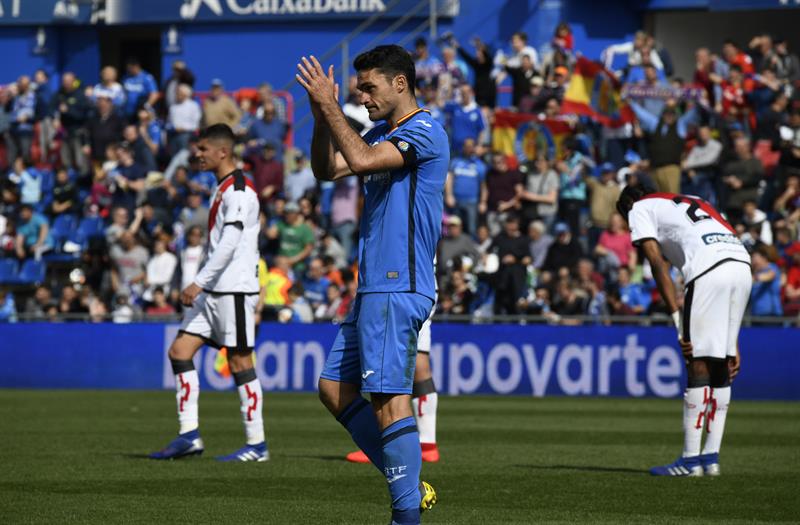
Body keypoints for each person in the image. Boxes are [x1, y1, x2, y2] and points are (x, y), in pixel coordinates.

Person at [296, 45, 443, 522]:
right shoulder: (382, 132)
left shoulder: (424, 130)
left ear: (400, 83)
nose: (362, 96)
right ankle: (409, 486)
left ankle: (406, 516)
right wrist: (322, 115)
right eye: (358, 88)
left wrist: (333, 106)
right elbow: (327, 169)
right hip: (374, 288)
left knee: (388, 400)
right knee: (333, 387)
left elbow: (358, 160)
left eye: (369, 86)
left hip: (399, 285)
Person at [149, 124, 267, 462]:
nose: (196, 154)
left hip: (234, 291)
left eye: (202, 149)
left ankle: (257, 445)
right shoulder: (223, 188)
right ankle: (189, 435)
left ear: (222, 152)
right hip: (214, 291)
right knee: (179, 351)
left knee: (240, 361)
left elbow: (230, 243)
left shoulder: (240, 192)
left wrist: (198, 281)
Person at [616, 185, 751, 477]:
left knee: (697, 362)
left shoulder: (639, 208)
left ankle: (690, 461)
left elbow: (657, 264)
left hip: (707, 270)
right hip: (741, 265)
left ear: (628, 206)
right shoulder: (697, 200)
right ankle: (710, 459)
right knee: (722, 365)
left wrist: (678, 321)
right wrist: (732, 339)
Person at [444, 138, 487, 235]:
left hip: (472, 202)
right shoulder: (455, 162)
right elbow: (449, 179)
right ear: (463, 147)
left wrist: (483, 202)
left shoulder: (480, 165)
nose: (469, 149)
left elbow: (483, 186)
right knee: (455, 228)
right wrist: (449, 195)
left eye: (471, 146)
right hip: (456, 201)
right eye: (467, 146)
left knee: (472, 229)